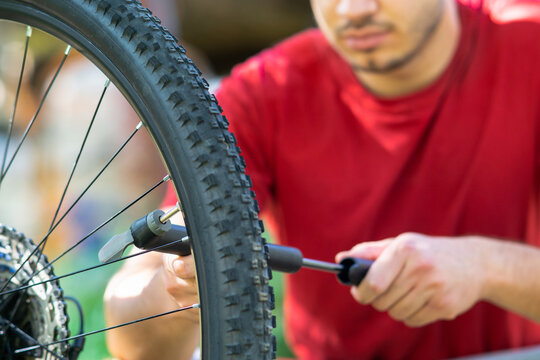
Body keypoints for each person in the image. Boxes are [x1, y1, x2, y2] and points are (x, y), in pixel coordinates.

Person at [104, 0, 540, 359]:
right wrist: (176, 284)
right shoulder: (260, 94)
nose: (353, 9)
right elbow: (129, 335)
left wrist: (485, 267)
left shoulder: (528, 44)